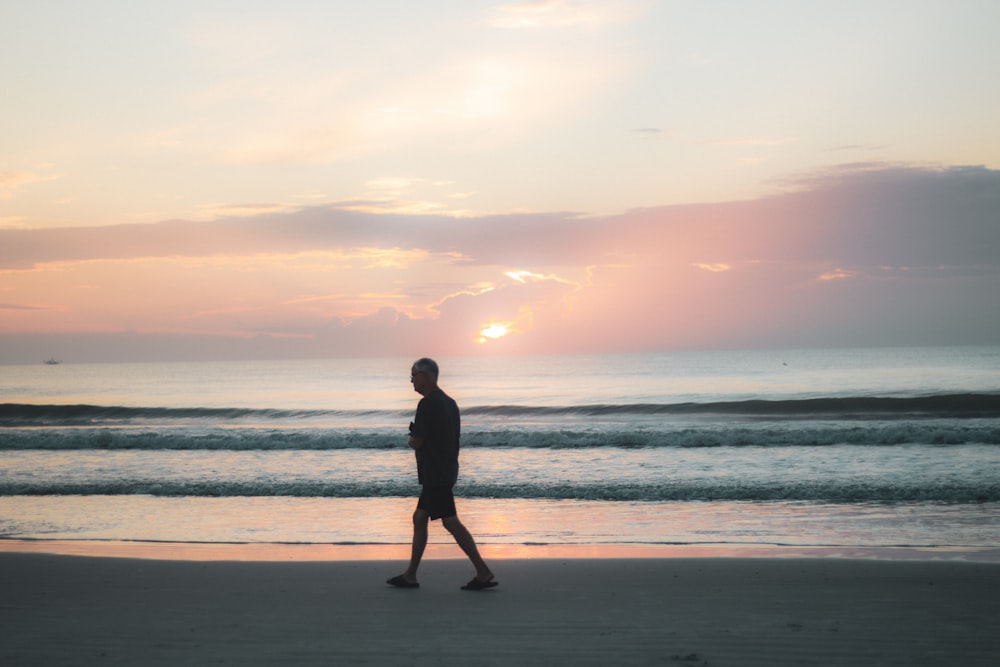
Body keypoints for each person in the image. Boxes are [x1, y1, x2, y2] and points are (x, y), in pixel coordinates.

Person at [386, 358, 497, 591]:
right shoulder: (450, 402)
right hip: (446, 469)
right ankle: (411, 574)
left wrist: (411, 438)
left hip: (435, 473)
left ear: (425, 376)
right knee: (420, 517)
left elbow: (418, 441)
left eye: (413, 375)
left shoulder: (427, 404)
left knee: (450, 521)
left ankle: (483, 571)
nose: (411, 381)